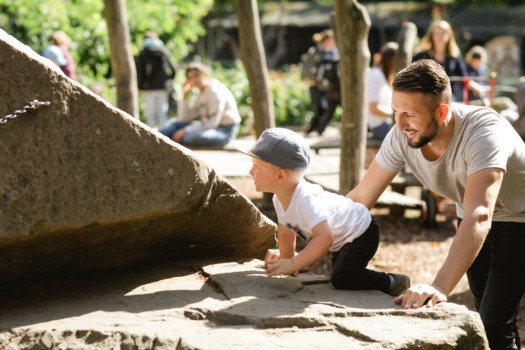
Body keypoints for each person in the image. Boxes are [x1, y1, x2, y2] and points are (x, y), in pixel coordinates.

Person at [346, 59, 525, 350]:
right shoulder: (402, 135)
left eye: (409, 115)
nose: (399, 124)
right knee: (489, 320)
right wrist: (305, 231)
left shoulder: (483, 131)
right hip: (470, 216)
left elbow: (480, 214)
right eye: (395, 112)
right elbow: (360, 198)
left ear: (441, 111)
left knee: (492, 321)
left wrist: (439, 286)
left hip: (519, 218)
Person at [240, 127, 410, 296]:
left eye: (256, 167)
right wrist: (286, 263)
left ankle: (392, 282)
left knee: (342, 277)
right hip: (342, 237)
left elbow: (324, 237)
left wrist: (295, 263)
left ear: (280, 176)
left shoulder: (306, 200)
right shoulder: (279, 198)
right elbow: (286, 233)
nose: (250, 172)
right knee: (343, 275)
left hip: (361, 231)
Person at [160, 63, 240, 147]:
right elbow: (184, 119)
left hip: (224, 130)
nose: (194, 80)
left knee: (189, 137)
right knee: (173, 123)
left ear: (205, 74)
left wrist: (186, 130)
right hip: (207, 125)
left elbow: (212, 123)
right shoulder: (200, 93)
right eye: (190, 78)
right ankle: (158, 142)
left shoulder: (215, 93)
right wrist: (184, 96)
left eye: (196, 75)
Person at [413, 19, 467, 102]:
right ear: (432, 35)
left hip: (448, 98)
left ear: (449, 35)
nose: (440, 36)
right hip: (426, 98)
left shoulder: (454, 56)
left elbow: (465, 78)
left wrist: (478, 88)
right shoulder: (421, 55)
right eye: (437, 33)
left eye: (443, 33)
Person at [136, 31, 177, 129]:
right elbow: (173, 69)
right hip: (163, 86)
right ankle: (165, 136)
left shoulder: (144, 52)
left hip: (148, 87)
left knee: (150, 113)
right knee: (162, 113)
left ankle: (151, 138)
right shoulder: (164, 51)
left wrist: (140, 86)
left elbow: (140, 72)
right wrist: (168, 80)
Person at [306, 29, 340, 136]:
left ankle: (315, 130)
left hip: (324, 86)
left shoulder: (319, 51)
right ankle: (315, 130)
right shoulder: (326, 53)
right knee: (325, 110)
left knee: (325, 110)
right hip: (328, 86)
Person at [367, 42, 398, 141]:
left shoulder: (385, 77)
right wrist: (395, 114)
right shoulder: (375, 75)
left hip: (387, 121)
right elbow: (374, 109)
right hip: (379, 126)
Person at [301, 32, 326, 137]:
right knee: (322, 108)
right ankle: (314, 129)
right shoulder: (321, 53)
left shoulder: (313, 51)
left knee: (321, 108)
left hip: (313, 84)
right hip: (318, 85)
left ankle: (313, 129)